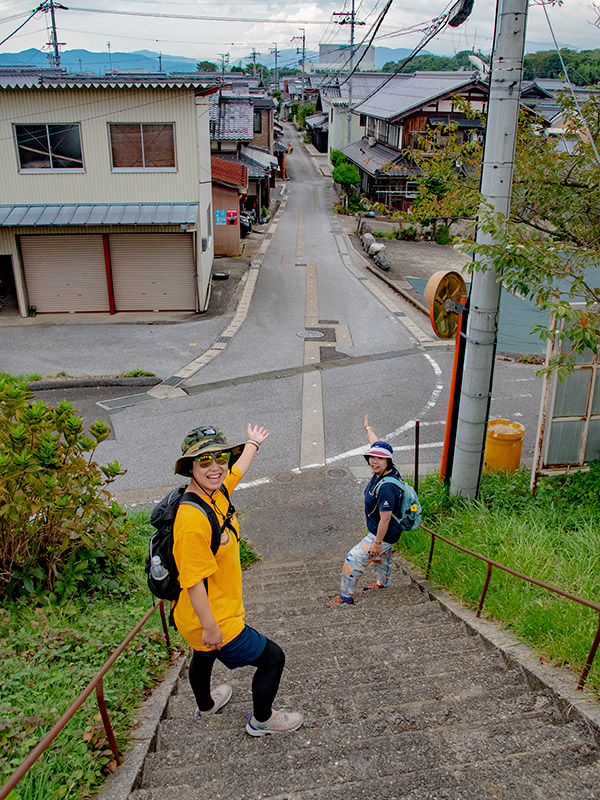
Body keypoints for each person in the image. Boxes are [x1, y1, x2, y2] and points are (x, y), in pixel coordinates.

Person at [172, 424, 303, 736]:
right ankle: (262, 720)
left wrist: (253, 444)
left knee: (203, 655)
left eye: (220, 458)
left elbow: (236, 471)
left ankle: (206, 706)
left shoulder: (214, 493)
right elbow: (192, 581)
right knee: (273, 658)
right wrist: (211, 627)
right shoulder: (191, 521)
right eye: (204, 461)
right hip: (212, 616)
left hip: (193, 615)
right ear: (190, 467)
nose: (216, 467)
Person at [327, 414, 405, 606]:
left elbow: (385, 519)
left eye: (380, 458)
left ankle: (346, 597)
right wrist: (368, 429)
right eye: (372, 457)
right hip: (388, 532)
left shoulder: (387, 487)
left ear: (388, 461)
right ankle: (383, 583)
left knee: (352, 560)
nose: (374, 461)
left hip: (384, 533)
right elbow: (377, 444)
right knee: (382, 559)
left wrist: (377, 542)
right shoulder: (388, 468)